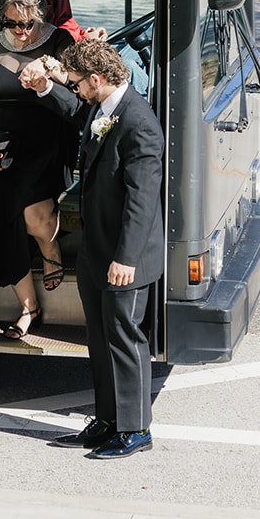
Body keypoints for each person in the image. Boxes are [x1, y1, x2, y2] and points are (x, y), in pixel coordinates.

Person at [21, 37, 164, 459]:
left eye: (78, 82)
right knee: (99, 340)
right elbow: (75, 111)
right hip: (97, 251)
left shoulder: (140, 125)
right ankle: (106, 421)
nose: (75, 88)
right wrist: (47, 88)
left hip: (124, 257)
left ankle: (135, 429)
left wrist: (126, 258)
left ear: (97, 79)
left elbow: (142, 200)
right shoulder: (105, 107)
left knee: (124, 338)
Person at [0, 0, 74, 340]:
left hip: (46, 140)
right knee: (1, 220)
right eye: (12, 23)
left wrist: (50, 76)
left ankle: (49, 245)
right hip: (1, 143)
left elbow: (75, 95)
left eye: (27, 24)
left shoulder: (58, 42)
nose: (21, 32)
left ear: (39, 16)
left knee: (34, 217)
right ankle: (29, 306)